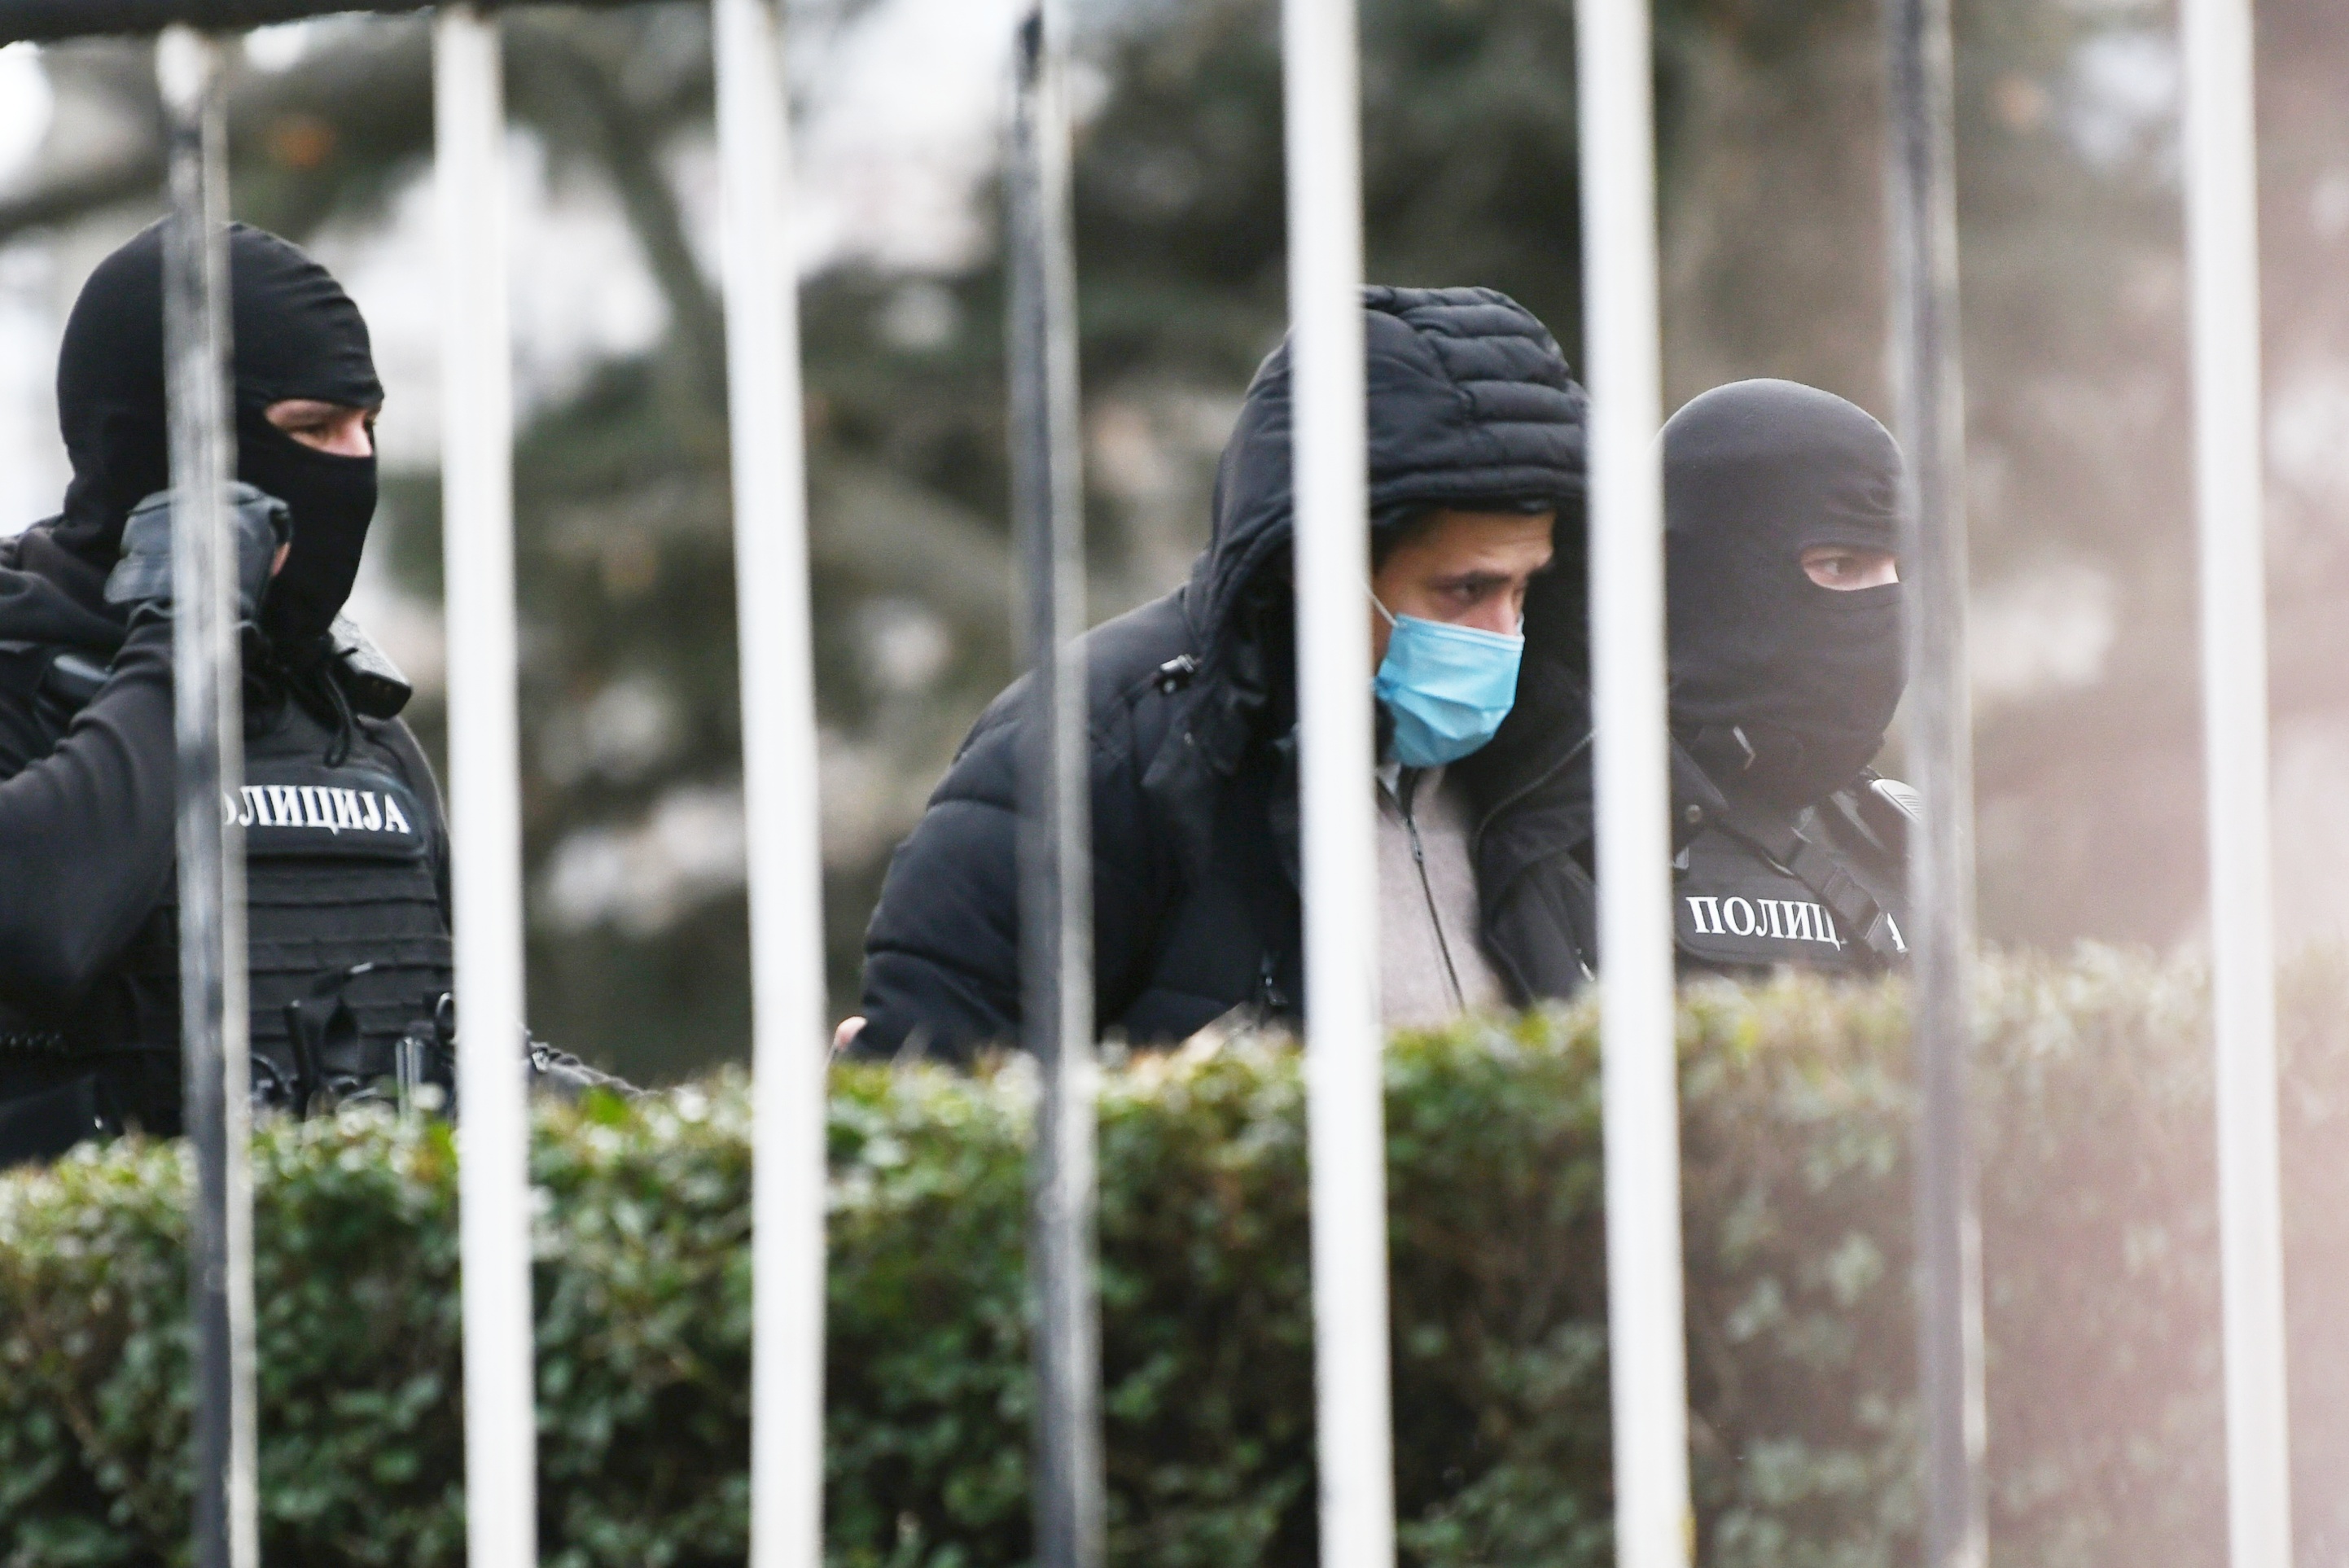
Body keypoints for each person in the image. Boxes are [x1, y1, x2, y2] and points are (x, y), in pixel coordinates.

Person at [848, 285, 1601, 1058]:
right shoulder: (1090, 753)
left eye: (1524, 589)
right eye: (1464, 590)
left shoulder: (1548, 757)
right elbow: (936, 1091)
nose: (1503, 634)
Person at [0, 221, 456, 1167]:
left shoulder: (349, 719)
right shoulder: (17, 680)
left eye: (366, 428)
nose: (351, 464)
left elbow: (461, 1036)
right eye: (310, 430)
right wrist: (185, 630)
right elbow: (40, 923)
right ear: (159, 446)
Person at [1657, 377, 1914, 973]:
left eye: (1898, 569)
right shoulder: (1583, 833)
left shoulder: (1894, 835)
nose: (1886, 608)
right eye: (1840, 564)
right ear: (1708, 575)